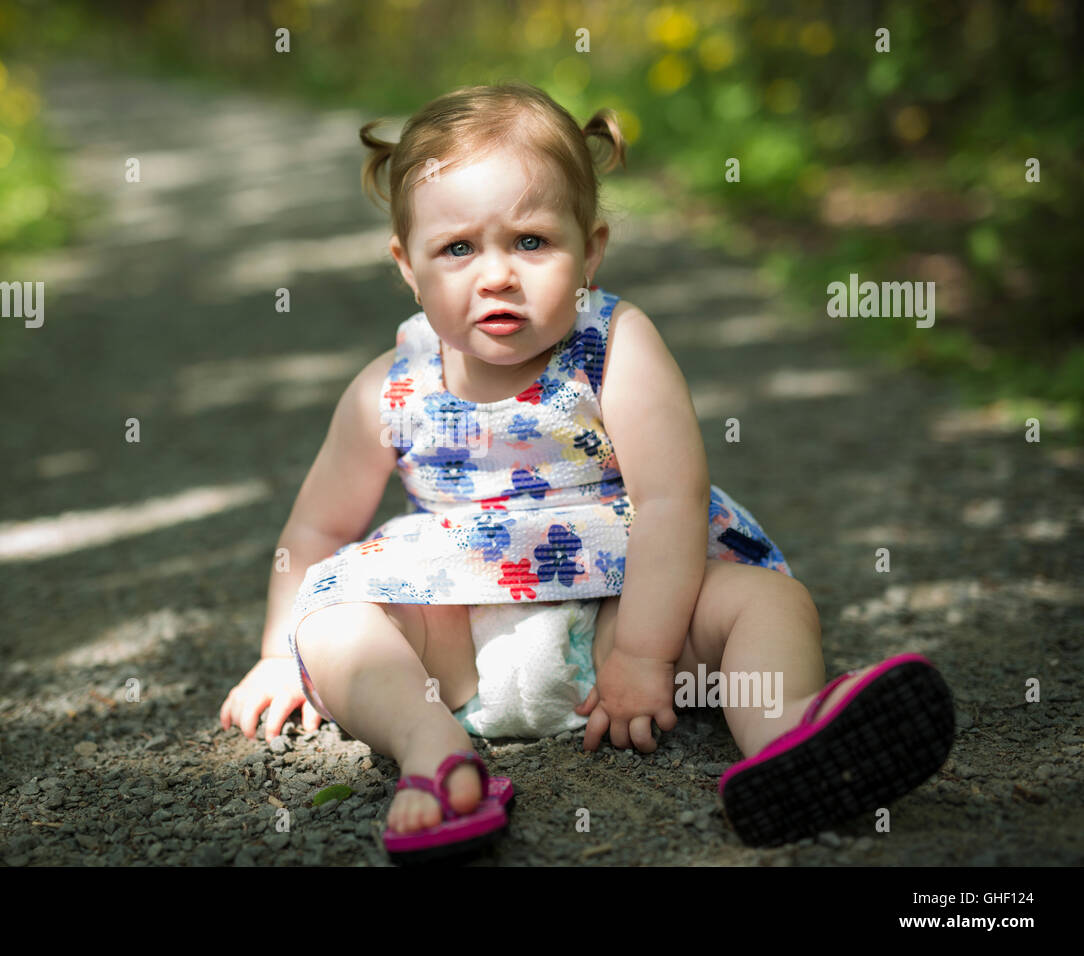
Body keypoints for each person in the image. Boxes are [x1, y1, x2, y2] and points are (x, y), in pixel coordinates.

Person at [219, 81, 954, 853]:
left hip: (622, 622)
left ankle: (791, 738)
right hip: (453, 652)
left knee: (765, 604)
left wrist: (644, 652)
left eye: (531, 242)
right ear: (408, 266)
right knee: (335, 625)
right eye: (458, 248)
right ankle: (433, 750)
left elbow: (671, 499)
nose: (497, 274)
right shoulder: (388, 388)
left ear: (589, 251)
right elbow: (319, 525)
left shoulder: (614, 346)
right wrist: (279, 654)